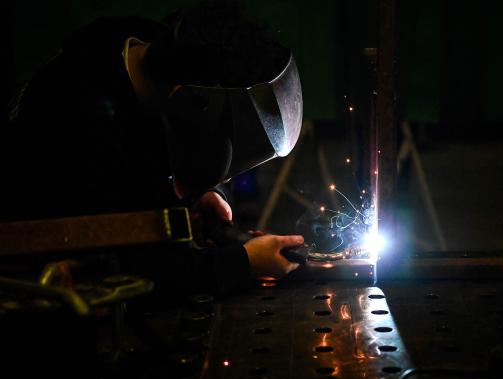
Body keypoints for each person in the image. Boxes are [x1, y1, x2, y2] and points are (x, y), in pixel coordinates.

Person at [4, 0, 304, 296]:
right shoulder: (75, 120)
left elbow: (167, 143)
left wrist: (204, 195)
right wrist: (243, 263)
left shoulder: (159, 51)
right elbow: (129, 269)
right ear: (194, 101)